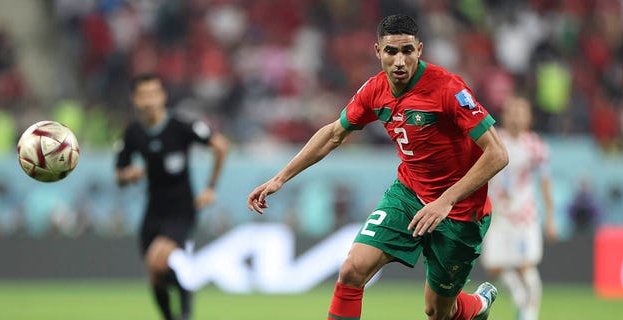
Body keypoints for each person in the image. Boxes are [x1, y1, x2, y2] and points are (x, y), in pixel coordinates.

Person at [247, 14, 508, 320]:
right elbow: (333, 134)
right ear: (377, 51)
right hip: (409, 194)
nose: (399, 61)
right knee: (352, 270)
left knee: (438, 312)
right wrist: (280, 178)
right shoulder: (374, 91)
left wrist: (445, 201)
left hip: (460, 210)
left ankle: (477, 305)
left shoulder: (448, 89)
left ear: (420, 50)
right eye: (391, 51)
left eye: (407, 51)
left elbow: (498, 154)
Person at [115, 73, 228, 320]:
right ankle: (171, 315)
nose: (149, 101)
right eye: (143, 95)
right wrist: (128, 175)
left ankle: (185, 305)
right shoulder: (133, 133)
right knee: (155, 274)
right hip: (153, 210)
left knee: (157, 261)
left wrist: (211, 187)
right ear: (134, 99)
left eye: (154, 94)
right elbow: (119, 175)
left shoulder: (180, 126)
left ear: (163, 96)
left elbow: (220, 146)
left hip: (182, 209)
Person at [481, 96, 556, 320]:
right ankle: (519, 295)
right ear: (504, 115)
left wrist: (550, 217)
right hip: (497, 215)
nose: (515, 116)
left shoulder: (536, 146)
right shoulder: (494, 139)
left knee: (525, 265)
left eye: (520, 112)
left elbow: (545, 182)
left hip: (524, 217)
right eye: (511, 111)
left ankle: (529, 314)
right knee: (493, 266)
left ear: (529, 117)